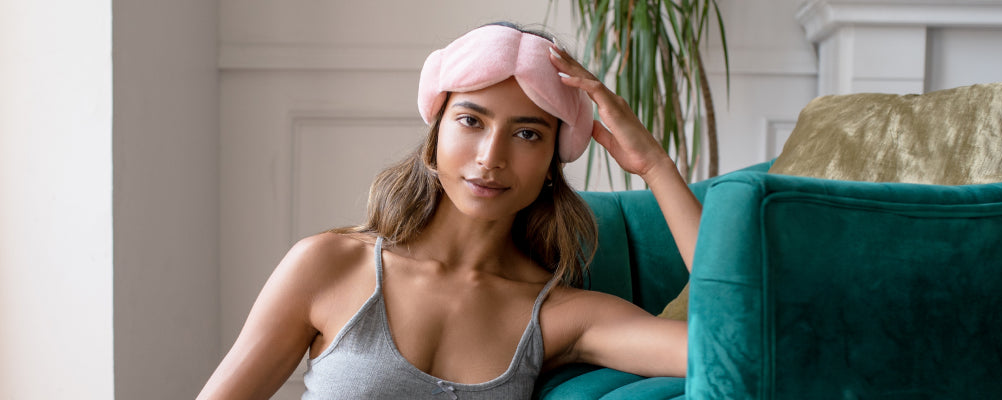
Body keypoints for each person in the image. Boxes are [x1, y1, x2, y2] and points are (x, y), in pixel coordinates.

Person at [197, 22, 704, 400]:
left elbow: (730, 344)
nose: (490, 158)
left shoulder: (558, 315)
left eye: (528, 133)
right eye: (471, 120)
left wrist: (654, 166)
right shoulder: (328, 266)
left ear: (552, 162)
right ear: (436, 134)